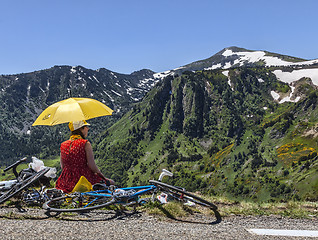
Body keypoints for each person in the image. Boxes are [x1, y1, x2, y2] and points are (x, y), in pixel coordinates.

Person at [55, 120, 114, 193]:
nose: (88, 129)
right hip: (83, 179)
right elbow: (92, 166)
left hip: (65, 182)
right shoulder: (85, 143)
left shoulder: (63, 145)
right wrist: (101, 175)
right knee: (111, 182)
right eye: (86, 127)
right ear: (81, 129)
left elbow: (63, 166)